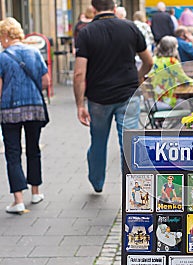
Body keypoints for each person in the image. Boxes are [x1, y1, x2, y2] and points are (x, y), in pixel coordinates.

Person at [73, 0, 153, 193]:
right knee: (129, 142)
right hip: (128, 95)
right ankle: (133, 189)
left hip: (98, 98)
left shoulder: (86, 33)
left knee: (98, 141)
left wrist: (79, 104)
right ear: (114, 8)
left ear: (93, 9)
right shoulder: (130, 28)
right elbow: (148, 61)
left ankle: (97, 181)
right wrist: (139, 76)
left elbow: (79, 74)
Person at [0, 17, 50, 213]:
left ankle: (18, 199)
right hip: (35, 107)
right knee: (33, 149)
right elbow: (45, 80)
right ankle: (36, 192)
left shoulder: (3, 57)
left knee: (13, 153)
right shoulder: (34, 52)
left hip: (9, 111)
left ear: (5, 36)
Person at [149, 35, 192, 110]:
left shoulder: (154, 59)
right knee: (187, 104)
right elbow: (184, 80)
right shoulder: (171, 61)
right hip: (166, 100)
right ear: (173, 48)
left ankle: (161, 121)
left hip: (152, 101)